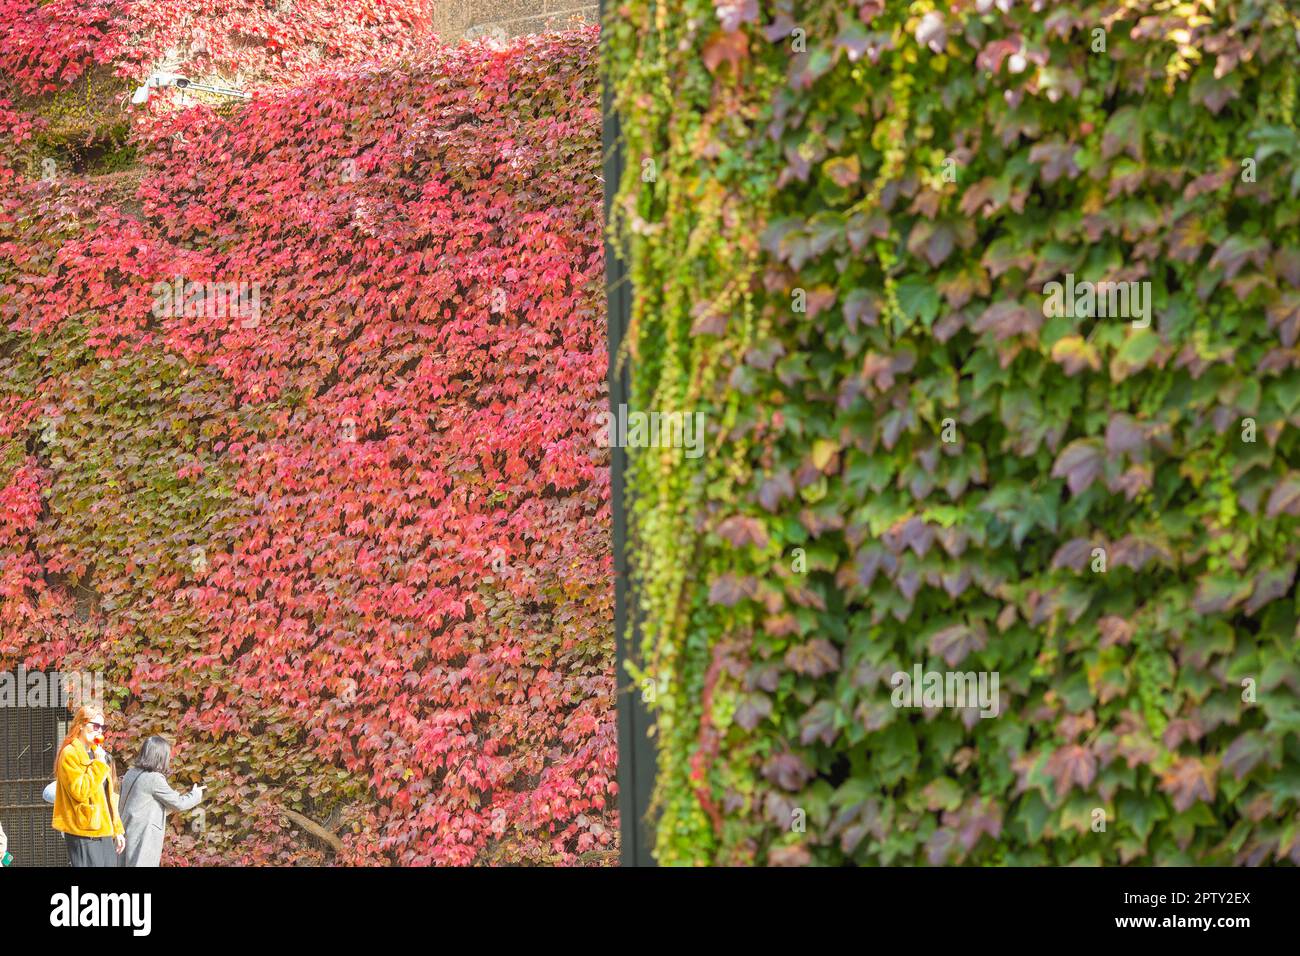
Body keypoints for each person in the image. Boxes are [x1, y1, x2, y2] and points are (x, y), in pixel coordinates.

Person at [51, 705, 124, 866]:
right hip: (83, 830)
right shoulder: (70, 753)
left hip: (103, 830)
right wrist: (98, 764)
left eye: (102, 727)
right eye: (95, 726)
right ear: (81, 725)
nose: (100, 731)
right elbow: (80, 791)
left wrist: (117, 829)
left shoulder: (98, 753)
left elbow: (108, 797)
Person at [118, 736, 204, 867]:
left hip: (125, 831)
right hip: (142, 837)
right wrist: (196, 794)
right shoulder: (154, 779)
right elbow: (178, 803)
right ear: (161, 757)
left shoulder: (131, 773)